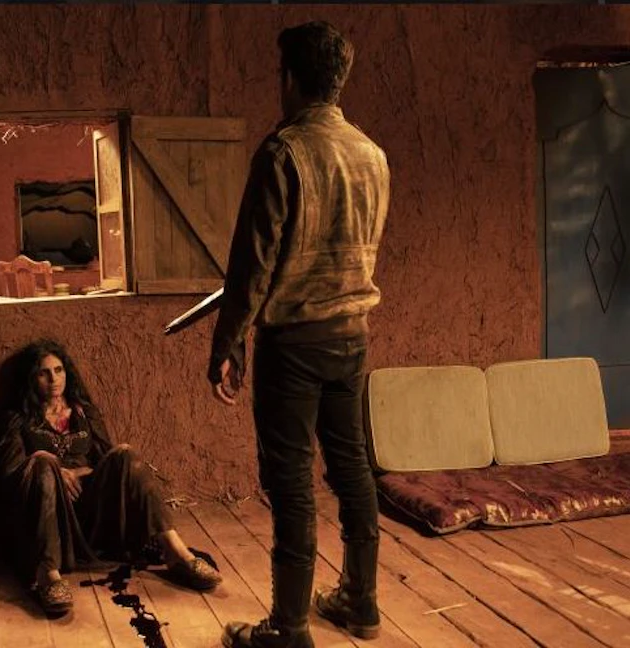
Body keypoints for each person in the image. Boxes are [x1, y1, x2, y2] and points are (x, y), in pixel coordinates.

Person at [208, 21, 391, 648]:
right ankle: (361, 603)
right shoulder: (373, 155)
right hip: (352, 336)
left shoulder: (283, 152)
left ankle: (288, 629)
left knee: (291, 483)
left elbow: (252, 264)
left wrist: (228, 342)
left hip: (293, 346)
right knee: (352, 468)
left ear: (290, 79)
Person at [0, 338, 221, 615]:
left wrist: (77, 472)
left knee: (125, 453)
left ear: (67, 372)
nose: (53, 380)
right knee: (43, 460)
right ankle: (48, 574)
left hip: (90, 511)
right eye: (44, 373)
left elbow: (108, 463)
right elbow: (10, 474)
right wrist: (52, 470)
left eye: (58, 370)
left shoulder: (84, 412)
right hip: (48, 516)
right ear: (31, 378)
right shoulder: (18, 419)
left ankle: (176, 552)